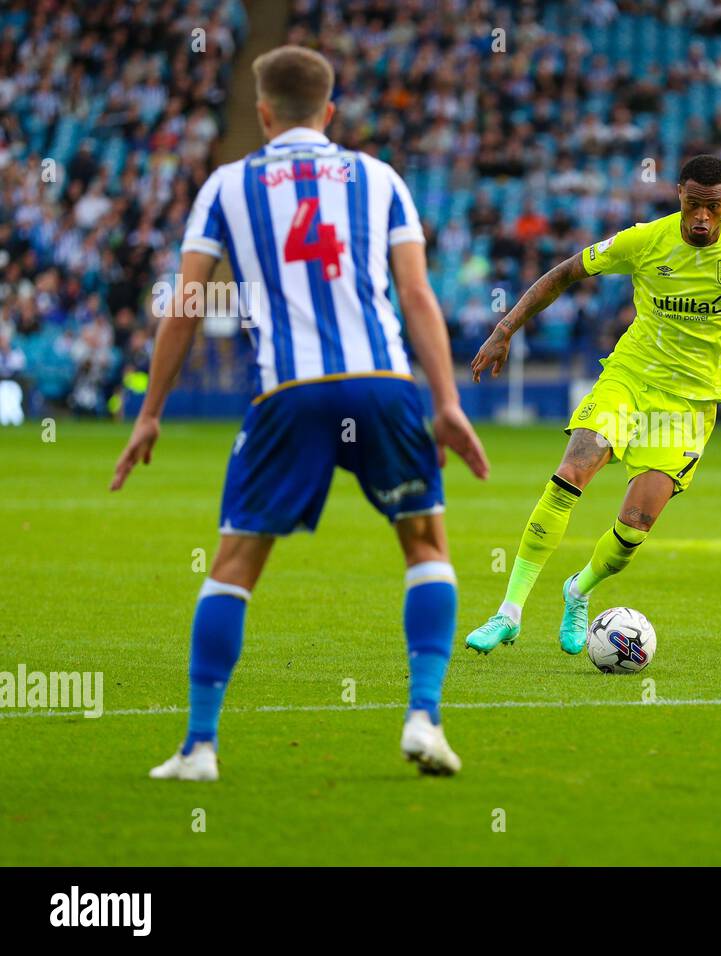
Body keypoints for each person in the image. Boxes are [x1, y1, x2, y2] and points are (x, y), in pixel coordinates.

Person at [109, 46, 489, 781]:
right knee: (426, 546)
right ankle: (425, 718)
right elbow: (416, 297)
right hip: (382, 383)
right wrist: (444, 401)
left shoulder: (227, 185)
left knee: (235, 565)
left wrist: (149, 412)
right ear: (330, 110)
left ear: (260, 113)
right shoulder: (380, 180)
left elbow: (186, 304)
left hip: (289, 391)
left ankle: (200, 746)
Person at [463, 155, 721, 655]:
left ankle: (578, 590)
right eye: (693, 204)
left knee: (635, 528)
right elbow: (564, 274)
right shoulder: (645, 240)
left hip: (690, 405)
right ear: (678, 195)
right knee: (573, 471)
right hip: (630, 378)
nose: (700, 217)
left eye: (711, 207)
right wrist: (504, 330)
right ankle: (509, 612)